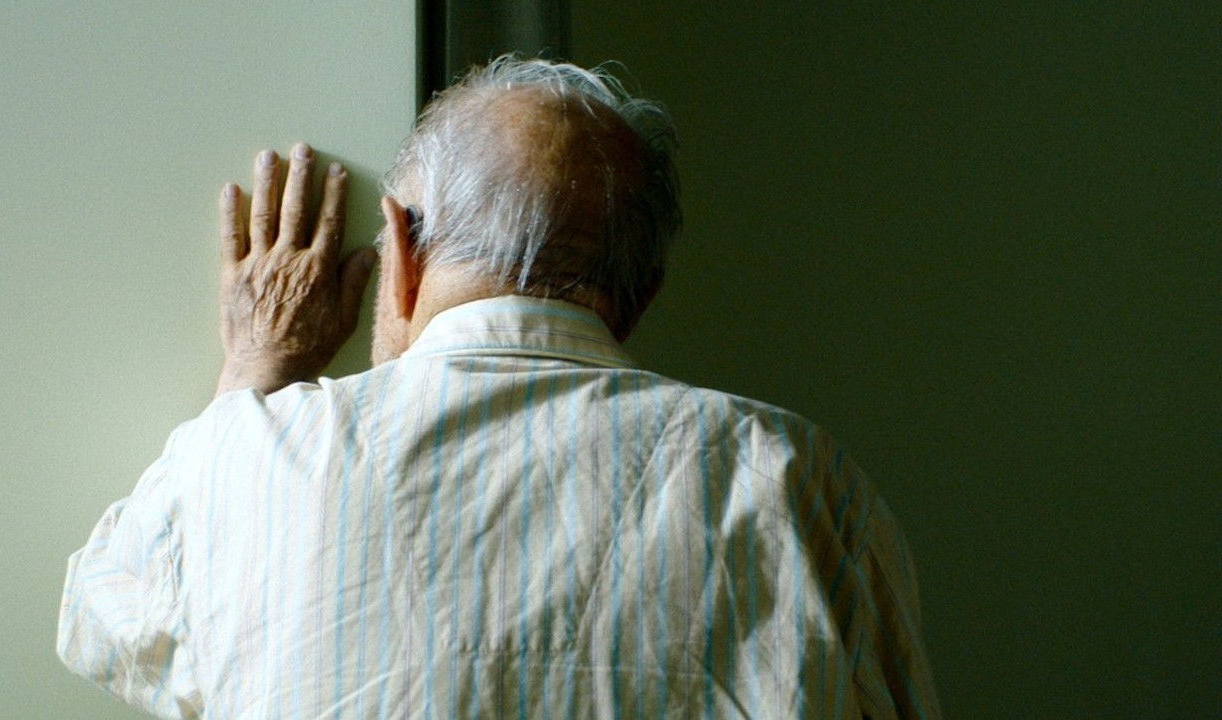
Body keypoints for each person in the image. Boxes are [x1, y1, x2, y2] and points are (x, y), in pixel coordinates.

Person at [56, 57, 942, 720]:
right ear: (639, 297)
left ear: (402, 249)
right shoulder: (796, 478)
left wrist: (257, 369)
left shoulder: (254, 459)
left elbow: (100, 620)